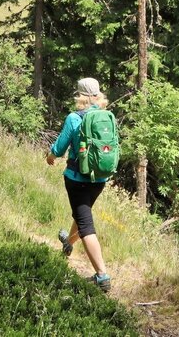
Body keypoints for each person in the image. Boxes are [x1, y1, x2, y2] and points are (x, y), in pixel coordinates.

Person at [45, 77, 113, 292]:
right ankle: (68, 244)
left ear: (80, 95)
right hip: (99, 178)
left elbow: (60, 147)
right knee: (82, 212)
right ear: (98, 94)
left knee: (85, 225)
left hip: (77, 179)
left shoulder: (75, 118)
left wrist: (50, 156)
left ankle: (102, 275)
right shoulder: (106, 116)